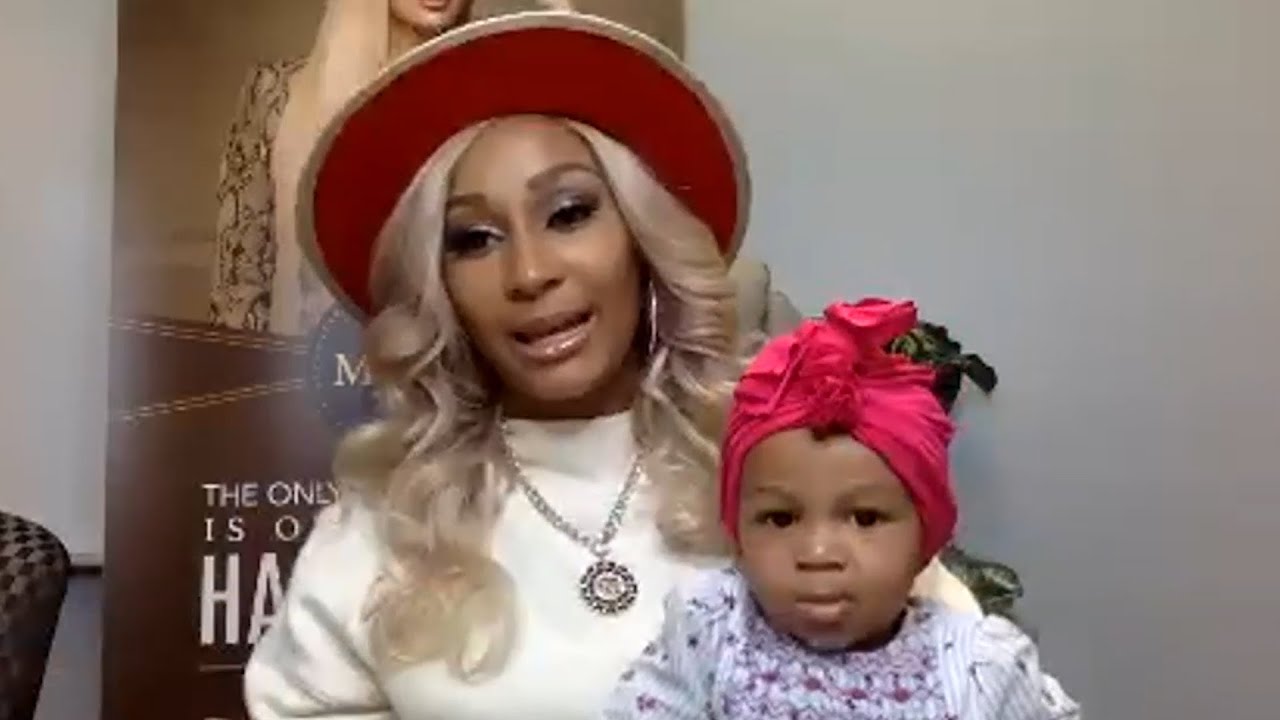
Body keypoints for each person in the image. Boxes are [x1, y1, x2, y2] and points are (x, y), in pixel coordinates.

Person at [243, 12, 980, 719]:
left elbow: (965, 681)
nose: (530, 273)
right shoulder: (387, 524)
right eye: (473, 239)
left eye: (568, 214)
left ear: (641, 237)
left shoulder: (793, 460)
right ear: (438, 287)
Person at [603, 298, 1079, 719]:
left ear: (925, 537)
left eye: (866, 518)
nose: (818, 553)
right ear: (737, 533)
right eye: (780, 519)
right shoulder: (710, 631)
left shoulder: (980, 668)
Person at [208, 0, 568, 335]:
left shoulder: (492, 96)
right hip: (302, 367)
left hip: (446, 366)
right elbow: (238, 285)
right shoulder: (277, 95)